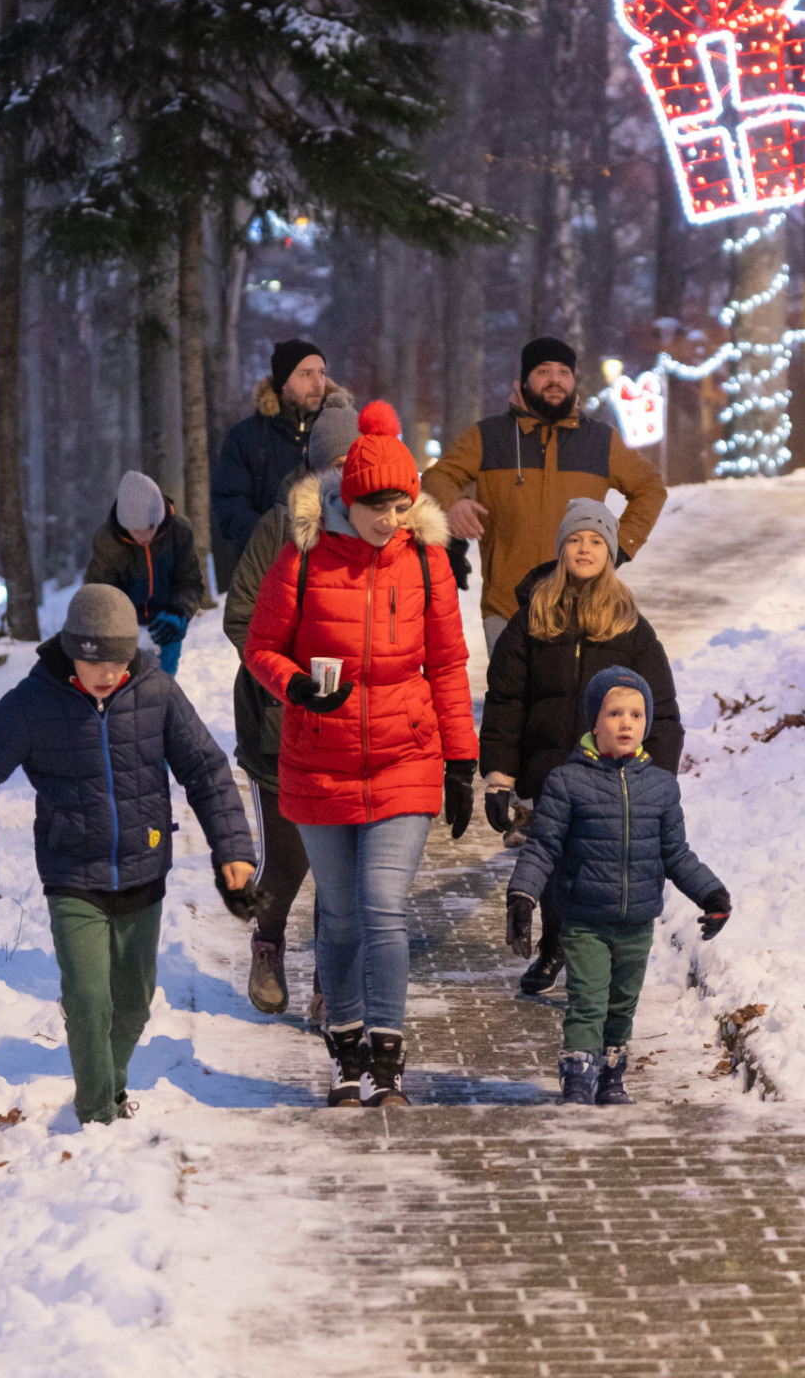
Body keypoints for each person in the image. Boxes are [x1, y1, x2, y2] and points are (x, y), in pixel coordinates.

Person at [0, 584, 256, 1126]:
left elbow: (206, 771)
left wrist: (232, 848)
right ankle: (97, 1118)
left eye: (119, 659)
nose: (109, 673)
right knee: (90, 1000)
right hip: (72, 875)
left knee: (133, 1005)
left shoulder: (156, 691)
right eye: (96, 661)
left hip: (143, 870)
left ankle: (110, 1089)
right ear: (73, 650)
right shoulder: (34, 702)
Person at [245, 402, 477, 1107]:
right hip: (320, 759)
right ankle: (344, 1051)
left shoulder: (429, 565)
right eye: (378, 505)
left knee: (383, 906)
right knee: (340, 914)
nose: (390, 519)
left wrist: (462, 762)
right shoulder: (304, 556)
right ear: (349, 497)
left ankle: (387, 1058)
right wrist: (296, 690)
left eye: (401, 505)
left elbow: (449, 664)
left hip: (405, 756)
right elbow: (261, 648)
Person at [479, 499, 682, 996]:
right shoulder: (531, 618)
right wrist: (499, 778)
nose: (585, 549)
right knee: (550, 866)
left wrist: (657, 778)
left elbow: (663, 708)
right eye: (575, 539)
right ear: (561, 547)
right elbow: (505, 701)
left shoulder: (629, 624)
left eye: (595, 541)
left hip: (608, 772)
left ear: (610, 553)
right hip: (546, 770)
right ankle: (555, 944)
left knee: (592, 865)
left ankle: (588, 954)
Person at [506, 666, 730, 1106]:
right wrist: (522, 893)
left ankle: (611, 1073)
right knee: (588, 1000)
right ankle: (576, 1076)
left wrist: (712, 894)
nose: (626, 723)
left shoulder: (661, 787)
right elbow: (543, 847)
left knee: (622, 1005)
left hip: (636, 922)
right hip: (585, 919)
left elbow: (675, 854)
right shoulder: (568, 781)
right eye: (614, 713)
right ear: (594, 721)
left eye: (636, 714)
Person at [222, 392, 358, 1018]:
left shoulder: (381, 528)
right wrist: (290, 666)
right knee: (293, 857)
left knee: (345, 867)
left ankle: (332, 981)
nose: (344, 475)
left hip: (354, 726)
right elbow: (241, 617)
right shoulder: (278, 526)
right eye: (335, 463)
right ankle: (270, 943)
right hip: (279, 725)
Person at [421, 335, 667, 653]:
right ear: (524, 381)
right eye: (543, 371)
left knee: (570, 702)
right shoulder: (489, 436)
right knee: (509, 700)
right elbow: (436, 476)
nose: (555, 380)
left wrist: (618, 548)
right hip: (505, 607)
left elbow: (650, 489)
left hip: (581, 607)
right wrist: (453, 504)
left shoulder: (600, 441)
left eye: (564, 372)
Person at [211, 339, 352, 566]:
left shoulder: (344, 432)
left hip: (337, 566)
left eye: (322, 373)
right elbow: (231, 506)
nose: (318, 383)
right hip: (266, 569)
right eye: (306, 374)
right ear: (283, 383)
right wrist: (275, 541)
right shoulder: (246, 438)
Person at [84, 470, 204, 676]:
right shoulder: (107, 541)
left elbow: (190, 582)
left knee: (161, 686)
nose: (143, 536)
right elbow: (98, 595)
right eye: (135, 529)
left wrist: (178, 612)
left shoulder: (179, 531)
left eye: (149, 527)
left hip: (167, 620)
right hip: (125, 628)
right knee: (125, 691)